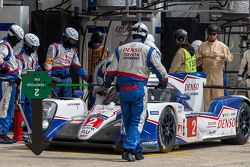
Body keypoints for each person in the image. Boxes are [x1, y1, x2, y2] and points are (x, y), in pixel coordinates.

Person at [104, 22, 168, 161]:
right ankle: (128, 150)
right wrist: (163, 82)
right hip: (139, 89)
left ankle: (138, 150)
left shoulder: (120, 49)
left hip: (123, 90)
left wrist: (108, 81)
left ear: (133, 34)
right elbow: (161, 70)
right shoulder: (148, 50)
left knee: (127, 120)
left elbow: (111, 70)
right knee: (136, 121)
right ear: (145, 36)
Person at [196, 24, 233, 111]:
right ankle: (207, 116)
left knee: (218, 97)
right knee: (206, 99)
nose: (212, 36)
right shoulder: (202, 46)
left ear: (217, 35)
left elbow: (230, 58)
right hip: (206, 75)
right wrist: (201, 58)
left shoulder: (222, 46)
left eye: (214, 34)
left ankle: (219, 116)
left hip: (217, 75)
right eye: (210, 34)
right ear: (208, 34)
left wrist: (221, 54)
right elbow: (196, 62)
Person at [45, 27, 88, 97]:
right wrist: (49, 77)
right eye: (72, 41)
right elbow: (48, 63)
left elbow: (77, 66)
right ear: (65, 38)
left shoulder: (73, 51)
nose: (74, 43)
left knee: (68, 101)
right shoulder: (54, 47)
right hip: (55, 79)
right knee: (54, 100)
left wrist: (86, 76)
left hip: (67, 80)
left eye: (75, 41)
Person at [0, 24, 24, 144]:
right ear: (13, 37)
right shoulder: (4, 45)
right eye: (18, 40)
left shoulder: (8, 46)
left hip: (11, 82)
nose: (18, 42)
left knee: (8, 109)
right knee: (4, 108)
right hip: (6, 82)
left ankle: (3, 133)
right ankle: (1, 134)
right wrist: (5, 68)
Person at [16, 33, 41, 127]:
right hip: (22, 81)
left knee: (32, 106)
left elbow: (36, 64)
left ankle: (32, 128)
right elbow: (17, 74)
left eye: (36, 47)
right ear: (27, 45)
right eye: (34, 47)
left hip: (33, 81)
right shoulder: (19, 55)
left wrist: (38, 68)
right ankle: (19, 128)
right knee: (21, 105)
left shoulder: (34, 53)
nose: (35, 49)